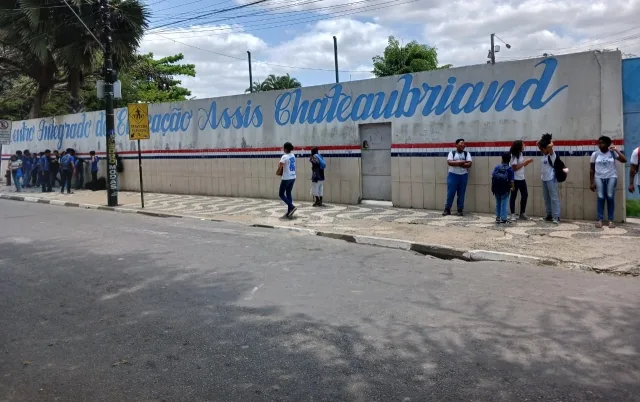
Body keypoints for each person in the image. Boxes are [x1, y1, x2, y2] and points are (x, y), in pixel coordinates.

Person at [590, 136, 626, 228]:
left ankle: (610, 220)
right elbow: (591, 170)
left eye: (602, 143)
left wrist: (616, 150)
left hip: (611, 177)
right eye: (599, 143)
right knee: (600, 197)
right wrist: (591, 182)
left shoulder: (612, 153)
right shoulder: (595, 154)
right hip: (599, 178)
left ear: (608, 144)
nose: (600, 145)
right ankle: (600, 220)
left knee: (610, 197)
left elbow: (624, 160)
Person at [443, 138, 472, 216]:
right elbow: (449, 162)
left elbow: (469, 164)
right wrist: (461, 162)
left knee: (461, 193)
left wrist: (457, 163)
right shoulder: (452, 153)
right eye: (461, 143)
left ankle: (460, 209)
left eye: (464, 144)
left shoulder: (467, 154)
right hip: (453, 175)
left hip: (463, 176)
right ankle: (447, 209)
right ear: (456, 145)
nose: (463, 145)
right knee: (451, 193)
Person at [538, 133, 560, 224]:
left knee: (554, 198)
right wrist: (543, 139)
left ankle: (556, 216)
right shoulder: (544, 155)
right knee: (546, 198)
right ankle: (549, 215)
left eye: (543, 149)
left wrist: (549, 141)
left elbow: (551, 146)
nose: (542, 150)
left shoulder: (552, 154)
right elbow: (538, 143)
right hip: (544, 178)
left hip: (551, 178)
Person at [509, 140, 533, 220]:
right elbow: (514, 168)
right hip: (515, 179)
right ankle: (512, 214)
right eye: (523, 145)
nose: (524, 146)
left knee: (525, 195)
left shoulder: (520, 154)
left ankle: (522, 213)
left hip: (522, 178)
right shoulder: (514, 155)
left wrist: (527, 162)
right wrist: (524, 162)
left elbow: (521, 166)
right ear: (519, 146)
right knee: (513, 196)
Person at [492, 153, 515, 224]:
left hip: (496, 188)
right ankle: (504, 218)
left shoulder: (497, 167)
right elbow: (511, 181)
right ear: (509, 160)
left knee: (498, 202)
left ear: (502, 159)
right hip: (505, 189)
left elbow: (493, 176)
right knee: (504, 203)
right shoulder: (510, 169)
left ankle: (498, 217)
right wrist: (512, 187)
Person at [277, 142, 297, 217]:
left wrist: (278, 169)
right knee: (288, 193)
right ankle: (290, 211)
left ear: (285, 148)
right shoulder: (293, 155)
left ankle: (292, 207)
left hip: (286, 178)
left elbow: (280, 165)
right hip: (293, 177)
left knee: (281, 194)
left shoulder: (284, 156)